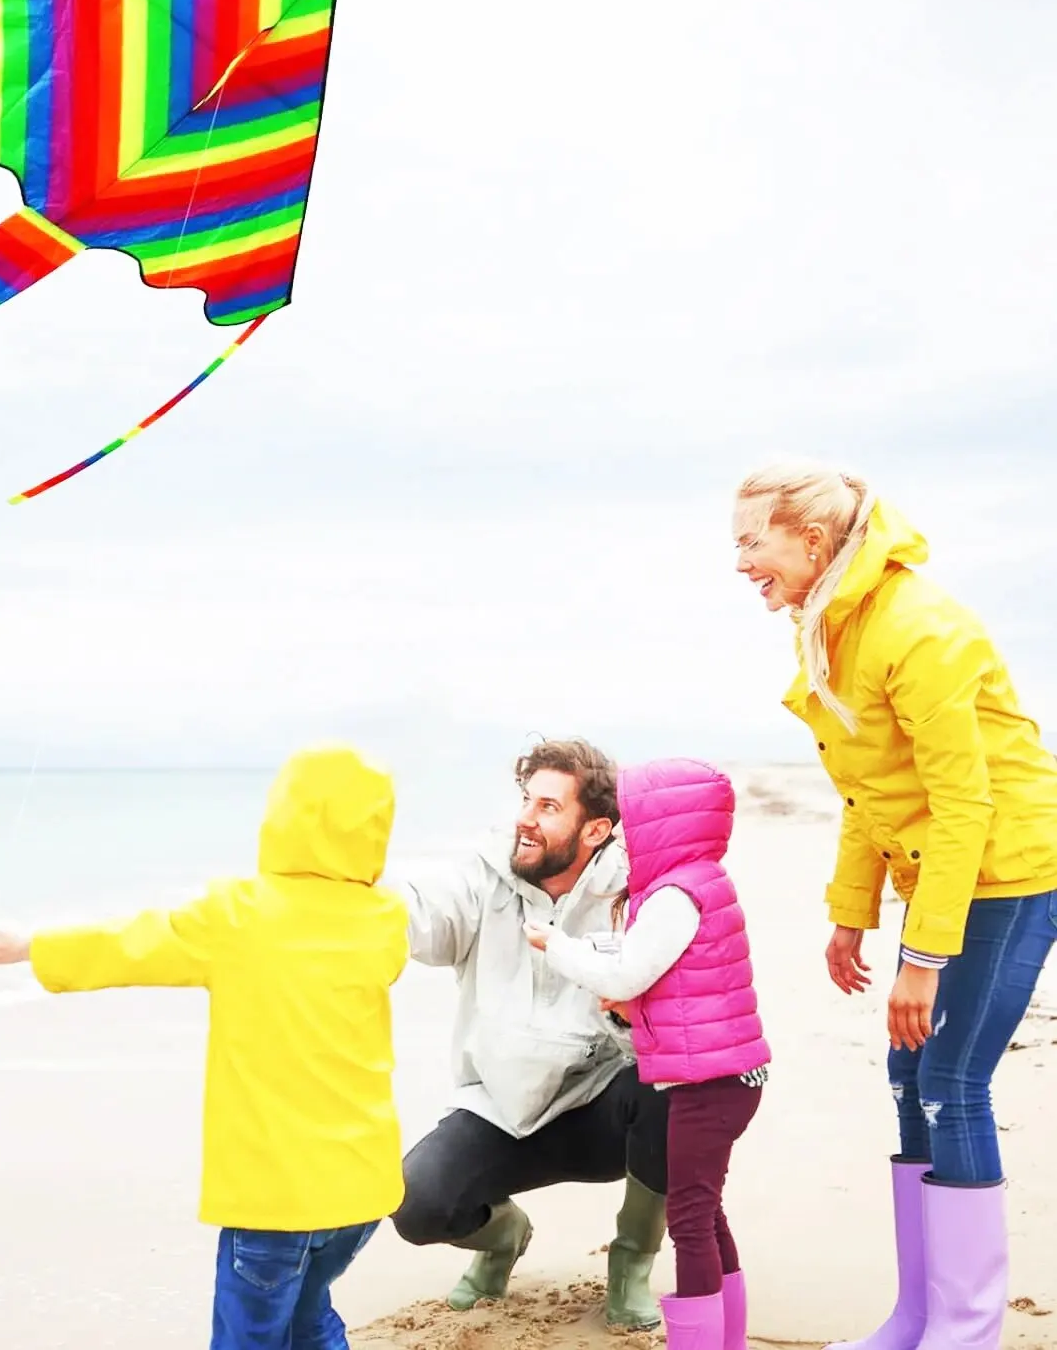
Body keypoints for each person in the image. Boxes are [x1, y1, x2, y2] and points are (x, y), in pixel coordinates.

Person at [733, 462, 1057, 1350]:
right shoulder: (835, 625)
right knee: (908, 1077)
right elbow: (868, 789)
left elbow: (964, 804)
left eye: (749, 541)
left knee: (953, 1078)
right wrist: (852, 913)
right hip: (943, 869)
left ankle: (967, 1328)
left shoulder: (919, 628)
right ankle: (918, 1315)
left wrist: (923, 960)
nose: (739, 562)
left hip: (1011, 865)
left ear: (810, 539)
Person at [0, 744, 409, 1350]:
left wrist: (31, 947)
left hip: (276, 1199)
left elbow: (134, 943)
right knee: (309, 1319)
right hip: (362, 1192)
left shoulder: (238, 915)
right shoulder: (384, 919)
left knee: (249, 1338)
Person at [385, 738, 670, 1330]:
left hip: (600, 1107)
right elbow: (418, 912)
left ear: (595, 830)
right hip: (502, 1108)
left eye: (547, 807)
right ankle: (502, 1237)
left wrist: (623, 1015)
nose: (525, 819)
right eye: (525, 800)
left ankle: (632, 1263)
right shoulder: (483, 880)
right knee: (416, 1205)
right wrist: (352, 895)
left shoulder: (637, 894)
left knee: (669, 1085)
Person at [528, 757, 770, 1350]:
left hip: (709, 1083)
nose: (625, 835)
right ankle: (726, 1337)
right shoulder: (701, 880)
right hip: (728, 1075)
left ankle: (702, 1342)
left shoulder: (675, 895)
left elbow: (633, 971)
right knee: (706, 1212)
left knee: (689, 1217)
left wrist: (556, 946)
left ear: (665, 823)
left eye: (633, 821)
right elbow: (677, 979)